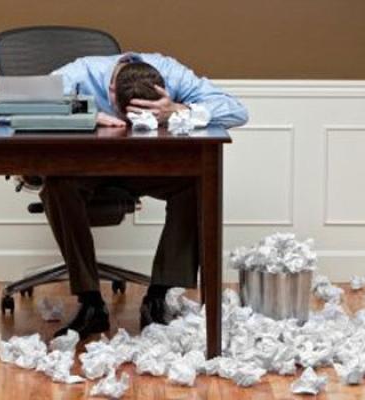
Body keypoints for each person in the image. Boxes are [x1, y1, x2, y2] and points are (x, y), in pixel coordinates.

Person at [42, 52, 248, 339]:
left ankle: (159, 295)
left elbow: (238, 111)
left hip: (149, 168)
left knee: (194, 184)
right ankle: (90, 303)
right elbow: (14, 107)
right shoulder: (83, 72)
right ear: (111, 92)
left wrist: (177, 109)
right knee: (57, 184)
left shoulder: (172, 73)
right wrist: (85, 114)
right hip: (88, 170)